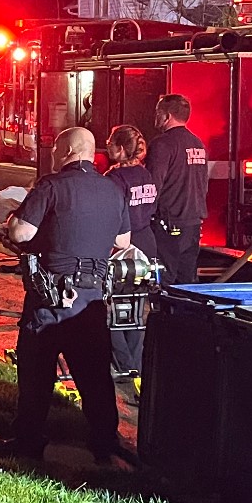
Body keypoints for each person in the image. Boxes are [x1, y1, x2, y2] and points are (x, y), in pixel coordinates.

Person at [0, 126, 131, 465]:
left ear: (68, 151)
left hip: (50, 302)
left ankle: (28, 440)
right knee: (95, 375)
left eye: (56, 150)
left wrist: (14, 219)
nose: (53, 155)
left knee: (36, 373)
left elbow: (20, 231)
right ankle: (103, 442)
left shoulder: (51, 186)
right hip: (92, 301)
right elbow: (124, 240)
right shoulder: (112, 189)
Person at [103, 125, 157, 381]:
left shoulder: (114, 180)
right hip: (146, 244)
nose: (106, 146)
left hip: (122, 249)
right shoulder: (146, 175)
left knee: (112, 308)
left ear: (121, 149)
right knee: (137, 308)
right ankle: (135, 363)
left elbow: (111, 216)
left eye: (110, 142)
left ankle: (121, 363)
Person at [144, 94, 208, 286]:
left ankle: (164, 315)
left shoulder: (162, 144)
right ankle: (186, 315)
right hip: (193, 224)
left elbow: (153, 185)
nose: (155, 116)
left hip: (169, 223)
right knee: (186, 281)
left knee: (165, 280)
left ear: (167, 116)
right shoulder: (198, 144)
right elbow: (202, 184)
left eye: (158, 112)